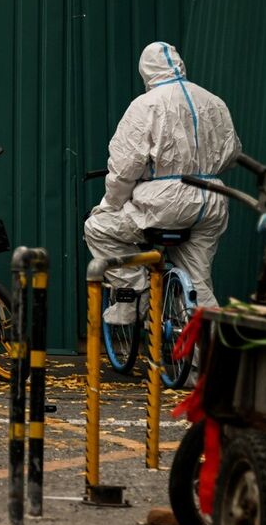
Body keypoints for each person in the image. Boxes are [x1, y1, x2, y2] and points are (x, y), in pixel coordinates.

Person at [86, 42, 241, 324]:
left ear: (145, 71)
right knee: (200, 282)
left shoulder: (146, 105)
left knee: (98, 228)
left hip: (165, 202)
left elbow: (125, 167)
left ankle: (132, 298)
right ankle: (203, 362)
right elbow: (231, 154)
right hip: (212, 200)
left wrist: (110, 204)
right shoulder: (213, 101)